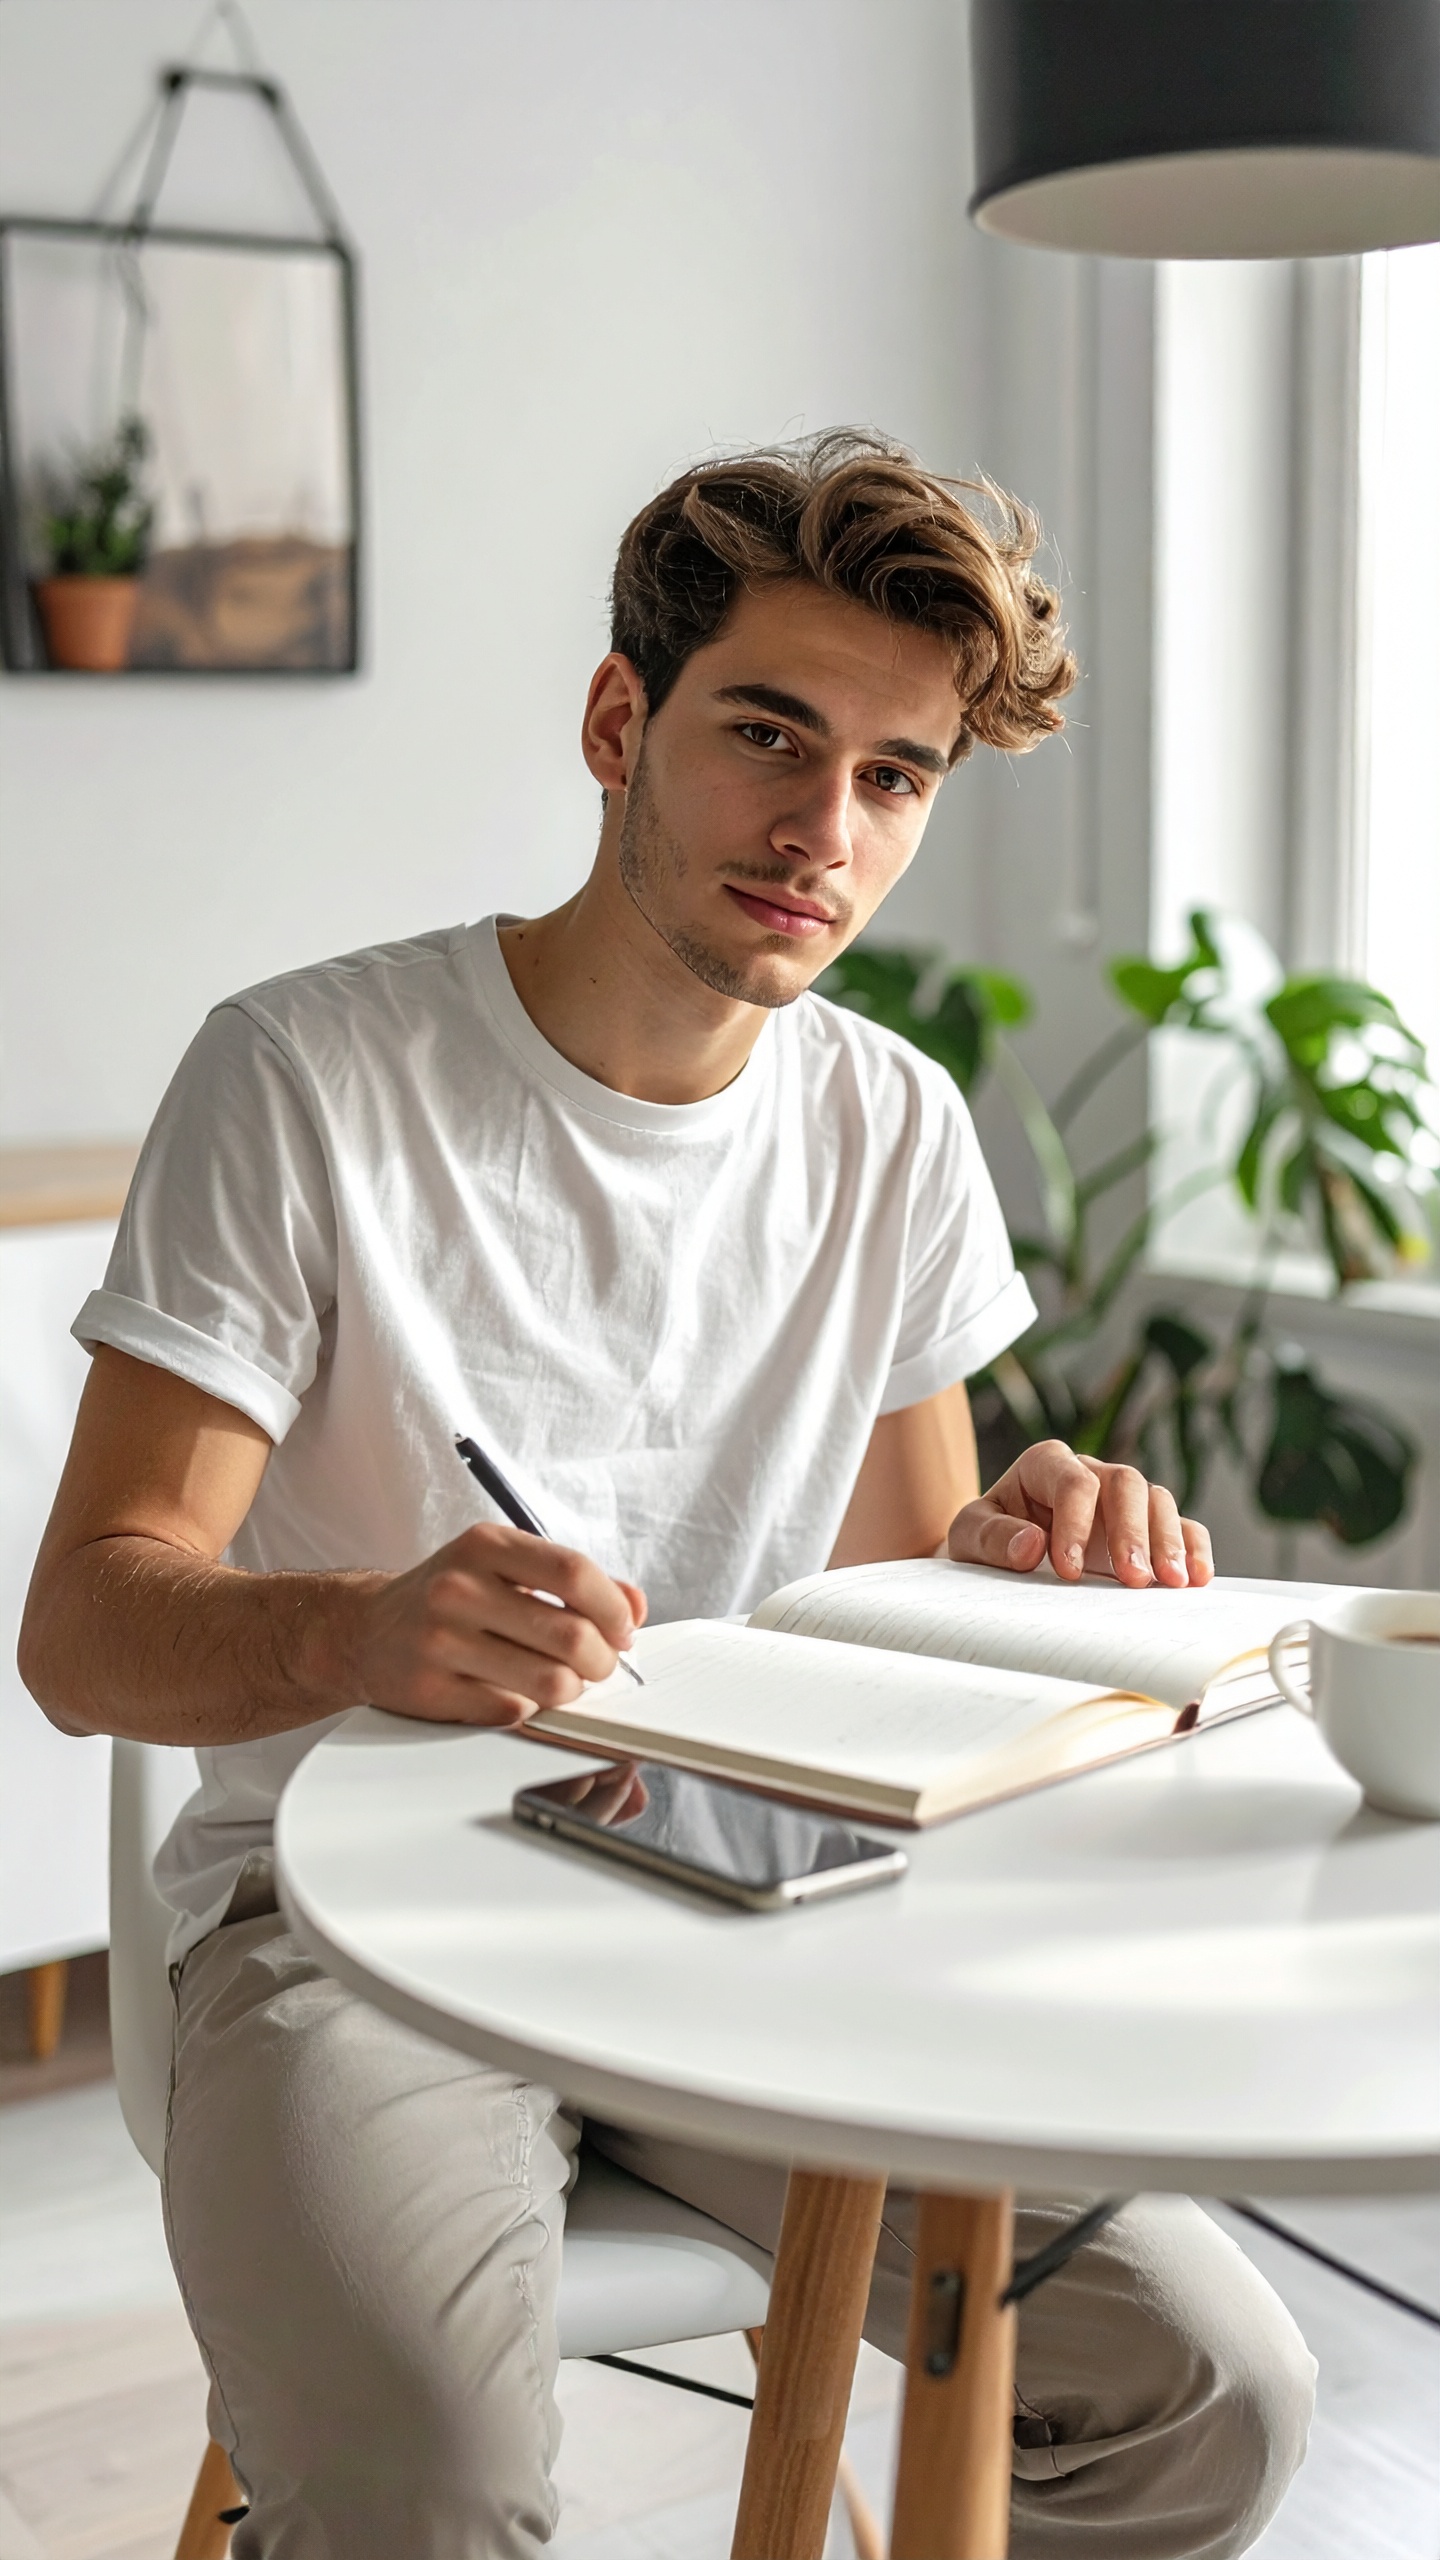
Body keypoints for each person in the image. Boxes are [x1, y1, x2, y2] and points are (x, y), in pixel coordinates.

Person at [21, 432, 1314, 2558]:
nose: (824, 829)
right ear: (622, 722)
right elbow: (85, 1624)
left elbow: (916, 1599)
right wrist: (350, 1627)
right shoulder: (305, 1078)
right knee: (425, 2485)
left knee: (1210, 2391)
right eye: (770, 737)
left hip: (761, 1912)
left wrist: (1022, 1541)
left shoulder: (892, 1123)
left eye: (896, 776)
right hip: (363, 1925)